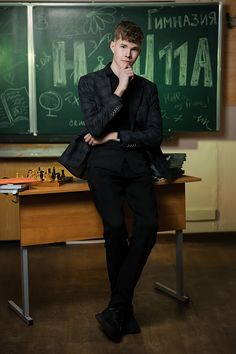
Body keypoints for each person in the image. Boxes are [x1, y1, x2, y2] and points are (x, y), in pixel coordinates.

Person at [59, 20, 171, 342]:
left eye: (135, 49)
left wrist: (117, 135)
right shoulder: (90, 82)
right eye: (124, 47)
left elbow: (154, 135)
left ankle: (118, 307)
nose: (129, 55)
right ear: (112, 45)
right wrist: (120, 88)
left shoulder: (149, 89)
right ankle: (125, 309)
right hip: (103, 168)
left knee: (148, 226)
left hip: (137, 166)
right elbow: (94, 127)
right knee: (115, 229)